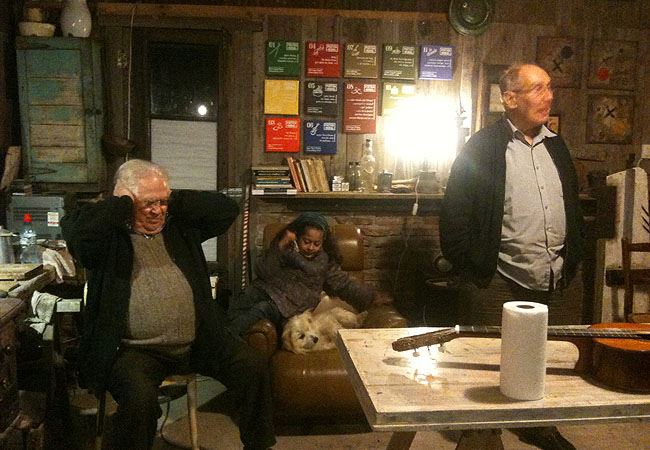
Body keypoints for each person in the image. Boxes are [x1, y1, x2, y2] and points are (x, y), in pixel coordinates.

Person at [62, 159, 275, 450]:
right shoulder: (108, 237)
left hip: (198, 342)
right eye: (147, 203)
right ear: (125, 200)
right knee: (139, 402)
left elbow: (226, 209)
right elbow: (78, 235)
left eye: (162, 202)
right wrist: (121, 203)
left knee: (252, 366)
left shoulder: (179, 228)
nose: (157, 211)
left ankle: (259, 446)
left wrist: (169, 197)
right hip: (135, 352)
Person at [440, 63, 584, 450]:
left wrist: (574, 254)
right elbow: (454, 213)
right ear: (509, 98)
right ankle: (481, 436)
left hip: (554, 277)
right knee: (486, 365)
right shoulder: (483, 147)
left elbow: (571, 204)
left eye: (549, 87)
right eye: (538, 89)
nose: (549, 96)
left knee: (551, 362)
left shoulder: (556, 145)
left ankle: (539, 425)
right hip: (497, 279)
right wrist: (471, 264)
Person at [227, 212, 390, 336]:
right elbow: (264, 271)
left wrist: (370, 297)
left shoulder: (324, 260)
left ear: (323, 242)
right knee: (245, 297)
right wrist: (280, 245)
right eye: (306, 241)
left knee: (261, 309)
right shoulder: (286, 249)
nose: (311, 247)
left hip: (292, 305)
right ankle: (222, 331)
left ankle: (228, 337)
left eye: (316, 243)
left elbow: (343, 283)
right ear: (297, 236)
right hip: (268, 289)